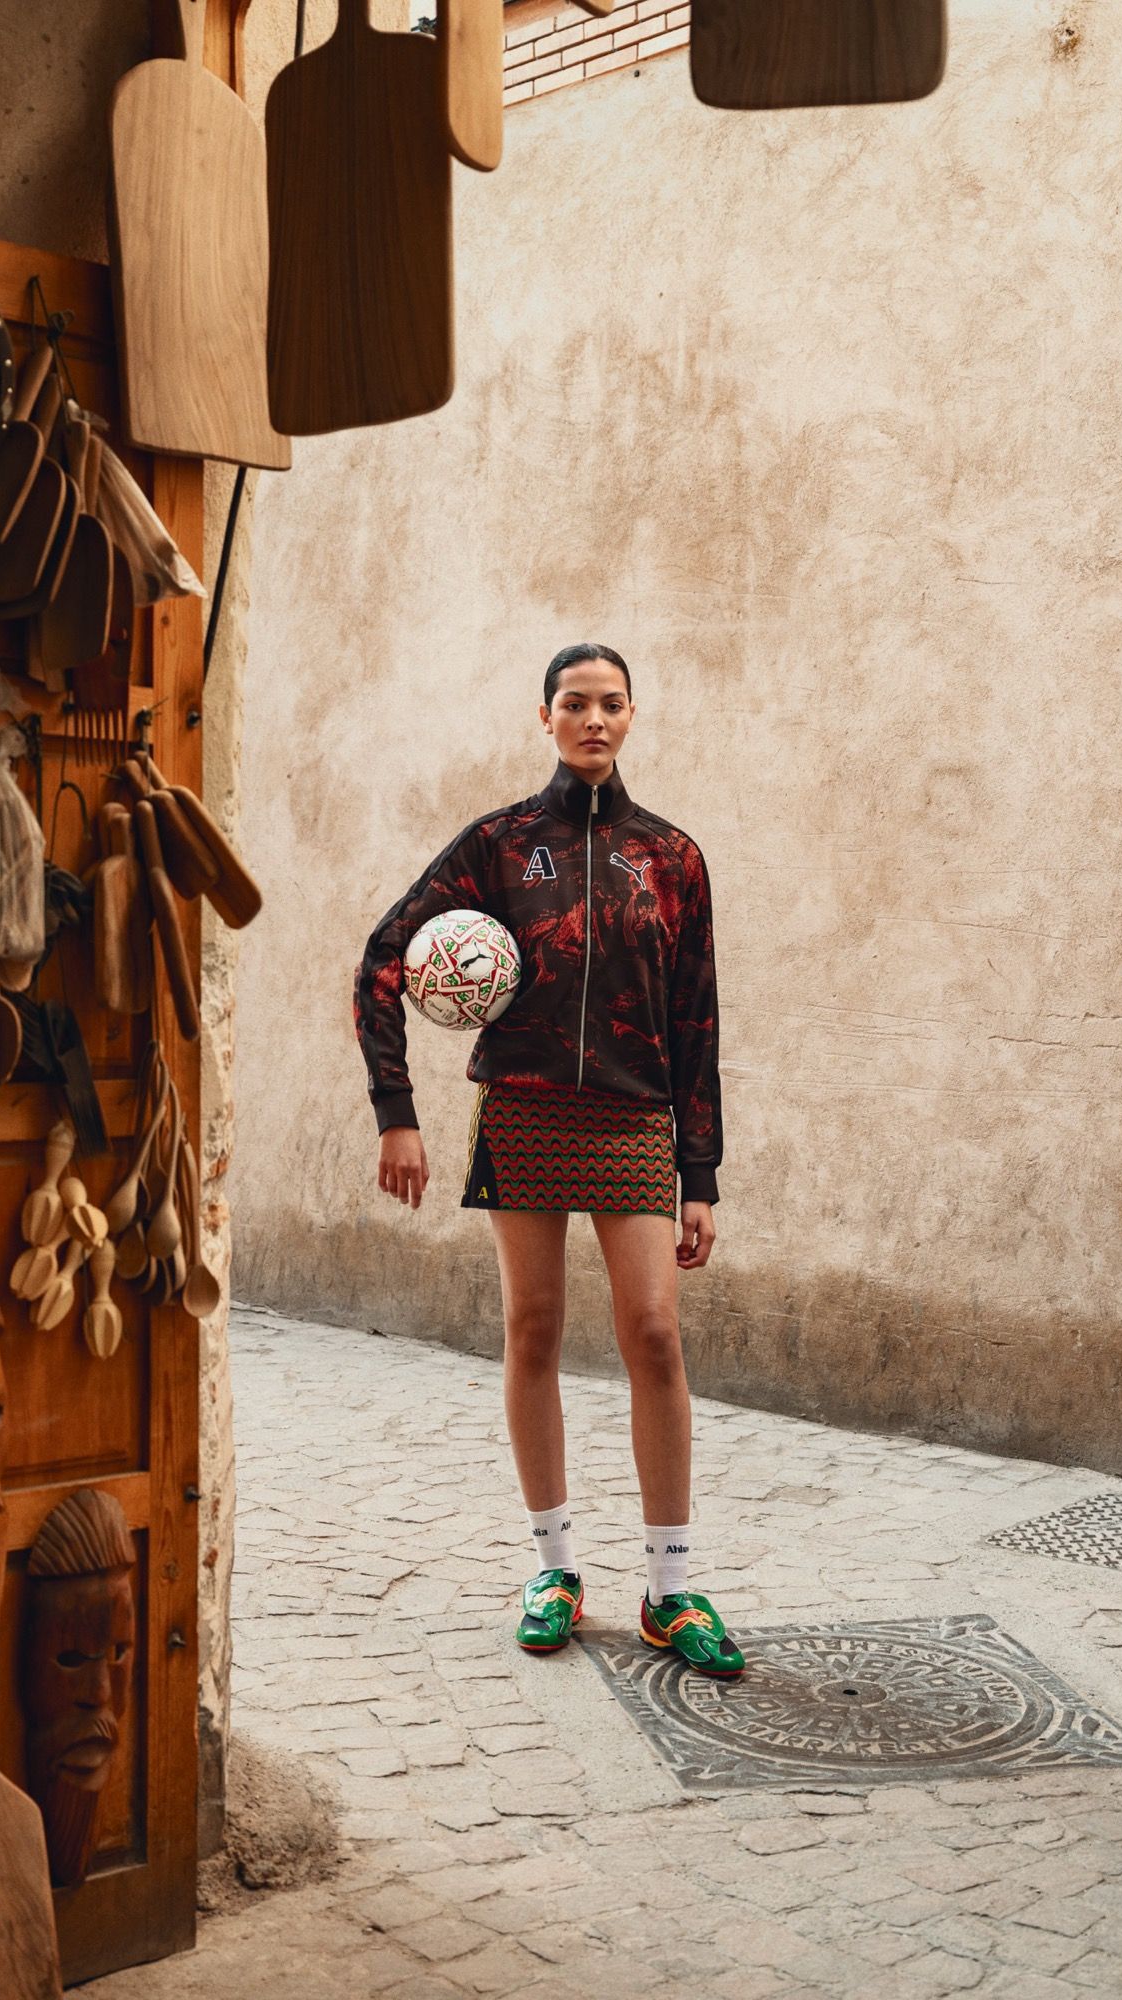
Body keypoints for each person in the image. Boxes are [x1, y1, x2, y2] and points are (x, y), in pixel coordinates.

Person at [355, 644, 742, 1677]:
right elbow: (383, 958)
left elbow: (697, 1017)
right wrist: (396, 1112)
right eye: (575, 703)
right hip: (523, 1110)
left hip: (634, 1116)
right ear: (546, 717)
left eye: (612, 703)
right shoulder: (497, 846)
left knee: (653, 1332)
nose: (594, 719)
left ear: (632, 715)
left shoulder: (672, 856)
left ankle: (669, 1587)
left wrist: (699, 1173)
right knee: (532, 1326)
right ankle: (555, 1569)